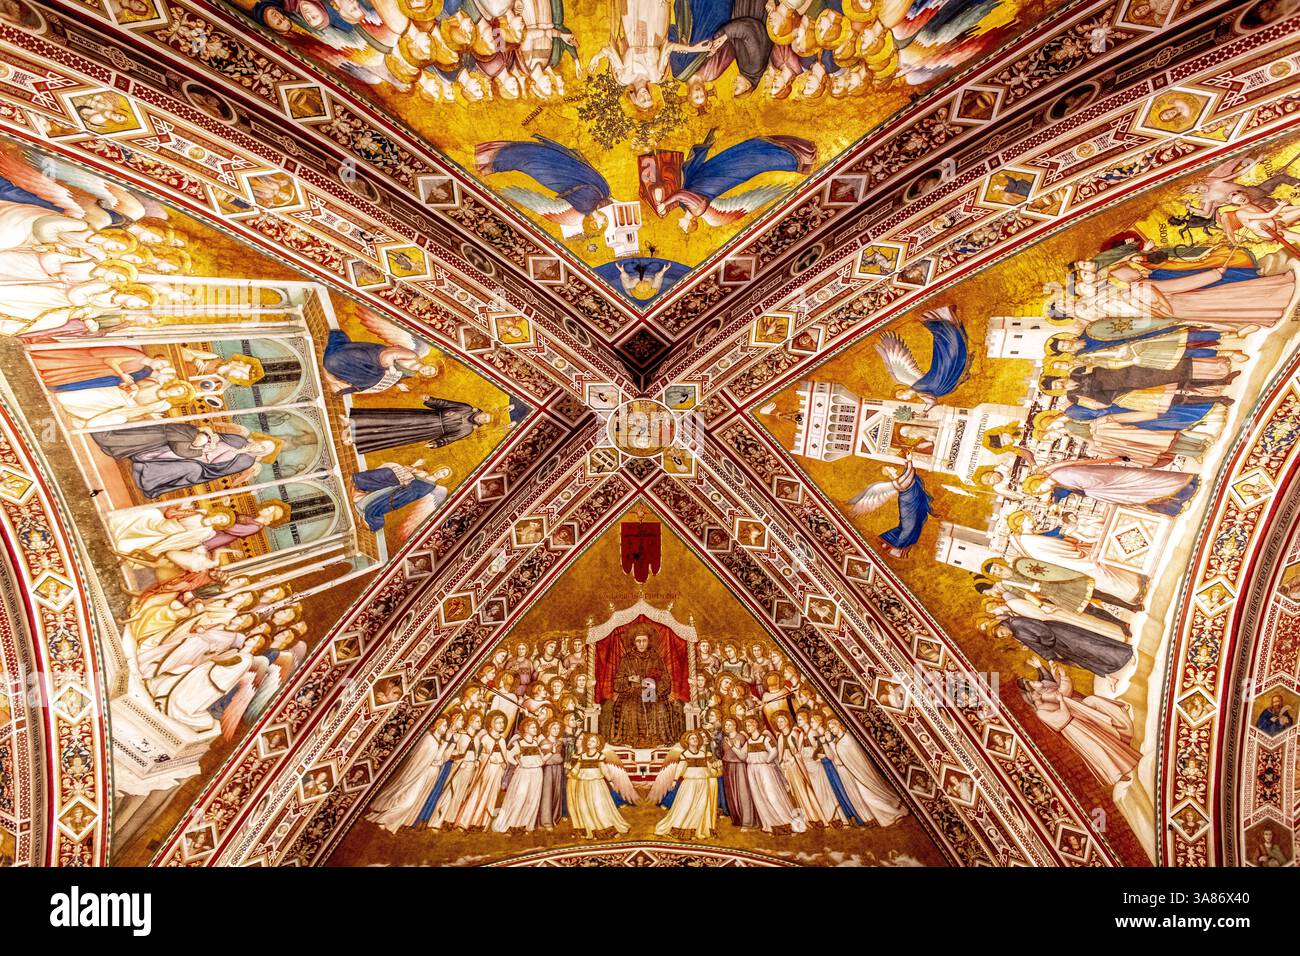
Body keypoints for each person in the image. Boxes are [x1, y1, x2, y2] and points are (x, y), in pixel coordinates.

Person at [347, 396, 492, 453]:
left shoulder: (467, 429)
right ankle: (355, 421)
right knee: (390, 419)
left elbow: (450, 438)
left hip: (429, 432)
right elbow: (445, 404)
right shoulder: (466, 407)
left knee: (396, 434)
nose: (482, 419)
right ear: (482, 412)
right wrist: (430, 400)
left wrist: (436, 444)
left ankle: (359, 438)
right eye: (484, 416)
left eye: (485, 421)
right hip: (425, 416)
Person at [653, 730, 721, 839]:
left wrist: (717, 768)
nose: (694, 740)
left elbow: (710, 769)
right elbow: (680, 768)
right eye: (691, 738)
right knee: (686, 805)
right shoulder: (685, 754)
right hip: (689, 784)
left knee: (701, 806)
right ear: (687, 741)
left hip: (703, 783)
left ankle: (697, 830)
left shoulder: (703, 754)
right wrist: (674, 780)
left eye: (696, 738)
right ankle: (679, 828)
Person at [566, 733, 634, 839]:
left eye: (592, 741)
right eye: (588, 741)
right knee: (584, 806)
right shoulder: (582, 756)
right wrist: (570, 773)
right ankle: (590, 829)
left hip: (596, 785)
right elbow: (576, 768)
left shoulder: (600, 756)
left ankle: (604, 829)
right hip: (583, 784)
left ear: (598, 744)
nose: (589, 742)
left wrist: (611, 780)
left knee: (598, 806)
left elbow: (604, 770)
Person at [492, 718, 547, 833]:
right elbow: (507, 754)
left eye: (536, 727)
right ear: (526, 729)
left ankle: (526, 824)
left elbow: (541, 759)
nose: (535, 729)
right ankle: (512, 824)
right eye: (532, 727)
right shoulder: (518, 743)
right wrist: (517, 763)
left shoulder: (536, 742)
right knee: (519, 797)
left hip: (537, 773)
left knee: (533, 799)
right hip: (524, 773)